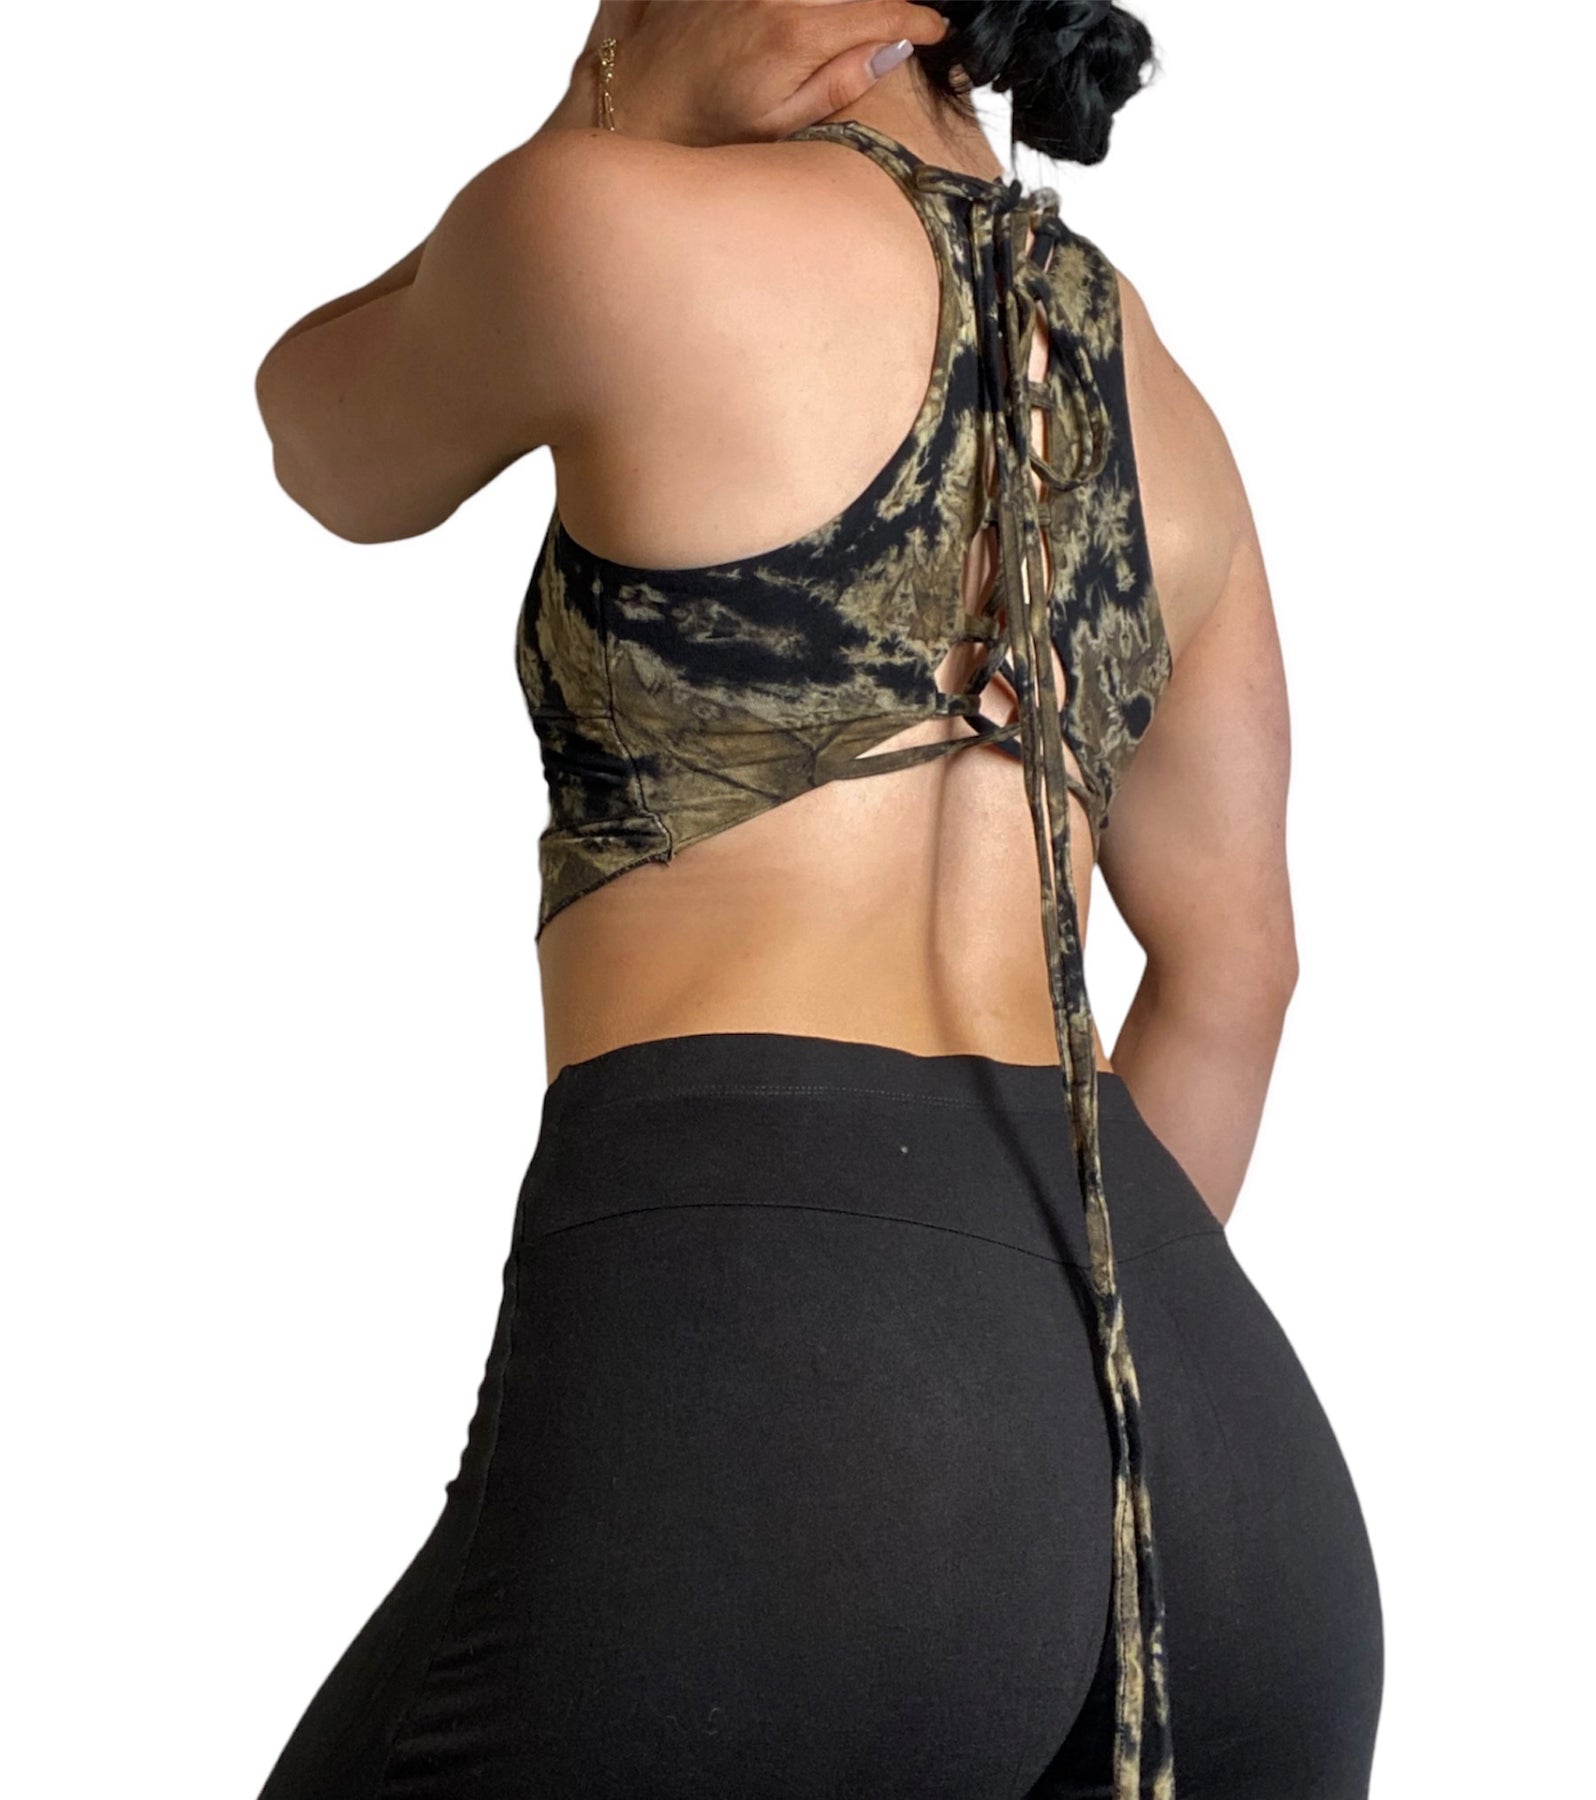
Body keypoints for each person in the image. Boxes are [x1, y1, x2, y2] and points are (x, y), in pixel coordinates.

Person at [251, 3, 1385, 1795]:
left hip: (782, 1395)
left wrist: (600, 111)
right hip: (1208, 1454)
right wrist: (1014, 1387)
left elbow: (328, 442)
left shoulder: (605, 222)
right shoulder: (1160, 396)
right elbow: (1238, 973)